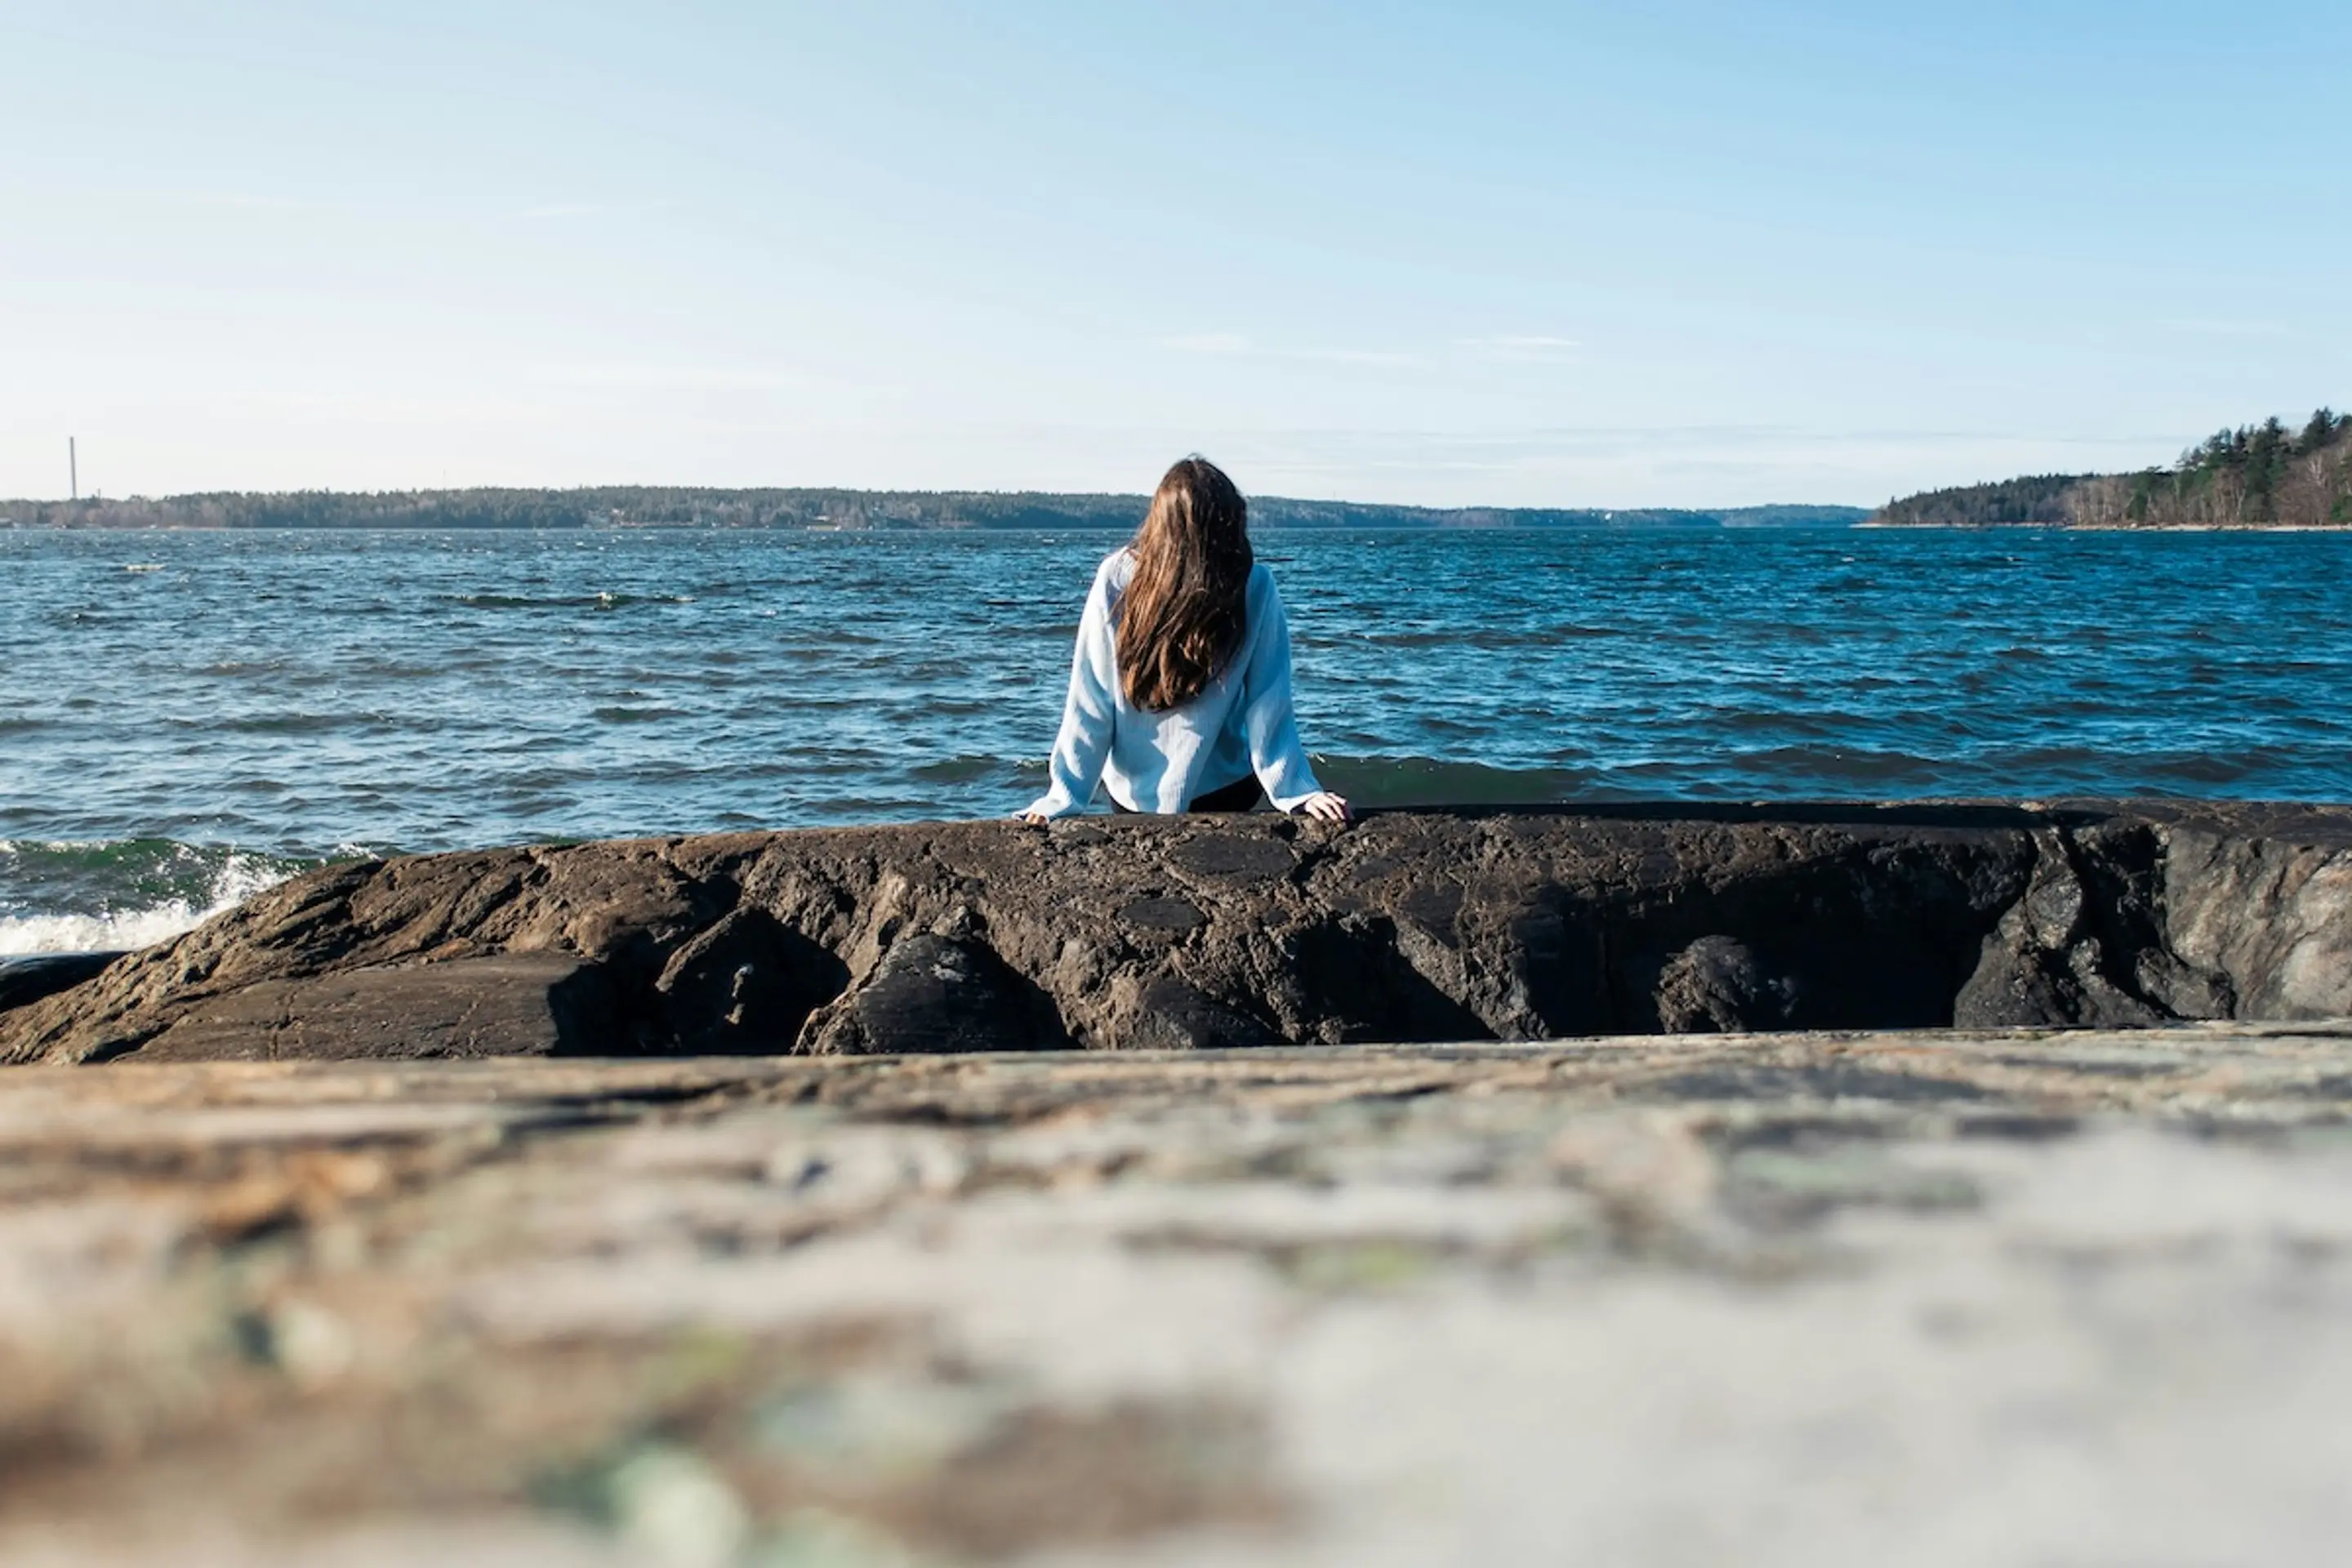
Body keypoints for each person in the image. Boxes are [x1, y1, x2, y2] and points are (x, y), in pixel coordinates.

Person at [1019, 457, 1350, 823]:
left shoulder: (1118, 576)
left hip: (1134, 796)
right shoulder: (1253, 583)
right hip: (1229, 789)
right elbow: (1269, 703)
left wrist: (1063, 797)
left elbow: (1091, 699)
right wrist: (1297, 791)